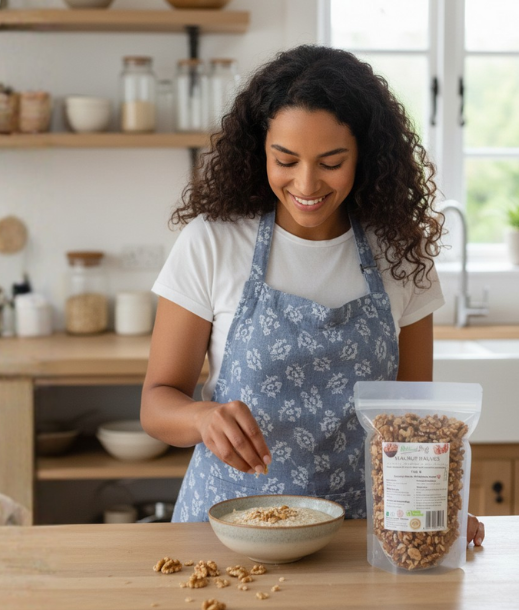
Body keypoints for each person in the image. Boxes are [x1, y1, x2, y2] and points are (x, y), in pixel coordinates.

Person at [142, 45, 484, 546]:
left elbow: (412, 426)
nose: (305, 183)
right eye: (285, 160)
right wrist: (202, 417)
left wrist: (439, 505)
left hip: (360, 539)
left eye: (330, 162)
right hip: (227, 535)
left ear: (363, 155)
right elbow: (155, 405)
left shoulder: (400, 257)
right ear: (260, 149)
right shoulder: (212, 242)